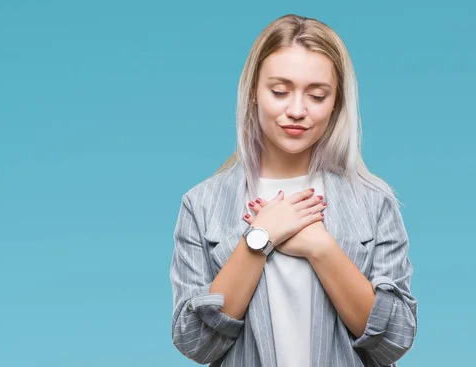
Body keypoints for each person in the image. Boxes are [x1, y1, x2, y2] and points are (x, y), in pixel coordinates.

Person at [169, 14, 418, 367]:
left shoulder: (374, 201)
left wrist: (320, 247)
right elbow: (196, 344)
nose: (297, 110)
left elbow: (394, 341)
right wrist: (259, 239)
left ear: (336, 104)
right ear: (253, 92)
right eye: (280, 92)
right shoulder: (202, 204)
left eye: (317, 95)